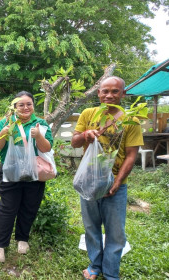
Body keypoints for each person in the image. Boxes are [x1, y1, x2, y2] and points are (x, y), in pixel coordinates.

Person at [71, 76, 143, 280]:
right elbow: (75, 143)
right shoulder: (88, 114)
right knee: (91, 226)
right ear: (99, 93)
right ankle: (95, 266)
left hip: (115, 185)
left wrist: (117, 182)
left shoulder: (131, 120)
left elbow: (131, 155)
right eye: (105, 91)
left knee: (116, 232)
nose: (109, 95)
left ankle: (111, 273)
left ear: (123, 93)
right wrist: (85, 134)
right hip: (89, 181)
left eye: (115, 91)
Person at [0, 91, 53, 262]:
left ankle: (22, 239)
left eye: (29, 104)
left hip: (34, 171)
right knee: (7, 207)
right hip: (10, 170)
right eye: (21, 105)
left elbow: (47, 148)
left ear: (33, 106)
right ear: (15, 107)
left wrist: (39, 135)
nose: (25, 108)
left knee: (29, 205)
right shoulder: (6, 122)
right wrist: (4, 132)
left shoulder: (41, 123)